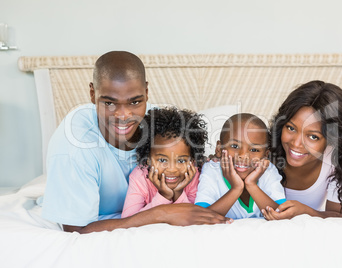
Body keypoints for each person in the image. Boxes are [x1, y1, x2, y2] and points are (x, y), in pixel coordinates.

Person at [41, 51, 231, 234]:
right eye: (109, 103)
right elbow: (76, 230)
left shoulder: (159, 123)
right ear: (92, 93)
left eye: (134, 102)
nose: (123, 115)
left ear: (146, 93)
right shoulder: (74, 148)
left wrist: (212, 162)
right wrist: (162, 213)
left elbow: (189, 157)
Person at [262, 80, 342, 220]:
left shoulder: (334, 162)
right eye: (291, 128)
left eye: (313, 136)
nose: (296, 143)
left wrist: (306, 212)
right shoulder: (261, 152)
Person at [195, 113, 286, 219]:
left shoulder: (268, 170)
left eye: (254, 149)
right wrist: (236, 188)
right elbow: (201, 217)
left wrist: (251, 184)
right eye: (234, 146)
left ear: (265, 155)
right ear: (219, 149)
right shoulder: (211, 170)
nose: (243, 156)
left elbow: (280, 215)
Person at [121, 107, 207, 217]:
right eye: (162, 160)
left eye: (181, 160)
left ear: (192, 161)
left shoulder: (194, 175)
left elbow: (196, 216)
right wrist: (164, 195)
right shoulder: (139, 177)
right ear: (148, 160)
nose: (171, 169)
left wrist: (178, 193)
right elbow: (128, 219)